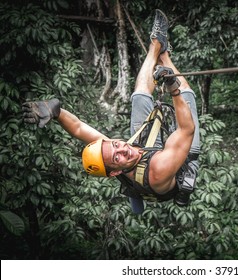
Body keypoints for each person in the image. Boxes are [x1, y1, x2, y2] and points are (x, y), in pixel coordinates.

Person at [22, 10, 200, 214]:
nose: (122, 148)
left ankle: (156, 45)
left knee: (140, 96)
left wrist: (56, 111)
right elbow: (186, 129)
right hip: (171, 165)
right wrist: (172, 87)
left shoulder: (116, 151)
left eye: (115, 144)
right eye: (117, 158)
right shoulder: (159, 170)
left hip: (143, 155)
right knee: (186, 96)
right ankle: (164, 55)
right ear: (116, 171)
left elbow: (79, 129)